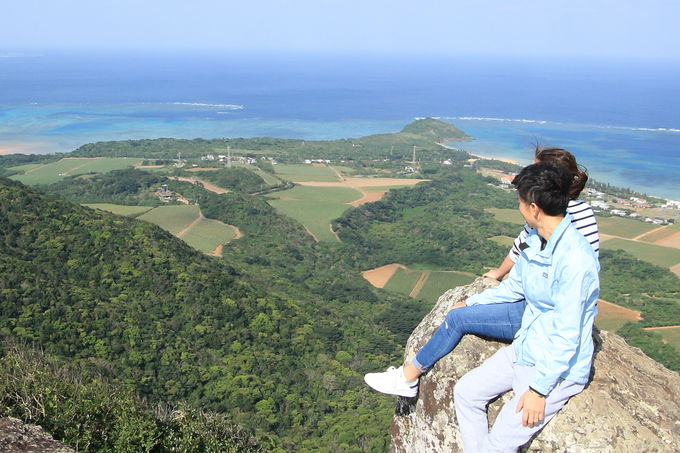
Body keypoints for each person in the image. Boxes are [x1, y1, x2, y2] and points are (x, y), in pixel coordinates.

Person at [363, 147, 599, 398]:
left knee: (457, 319)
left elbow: (560, 300)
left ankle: (408, 378)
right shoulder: (559, 216)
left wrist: (539, 390)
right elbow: (522, 256)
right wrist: (488, 285)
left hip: (543, 315)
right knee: (464, 318)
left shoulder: (562, 223)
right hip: (539, 305)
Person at [453, 162, 599, 452]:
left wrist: (538, 390)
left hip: (557, 367)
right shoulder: (535, 242)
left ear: (533, 208)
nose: (519, 207)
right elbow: (513, 288)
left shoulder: (575, 261)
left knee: (499, 443)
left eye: (520, 201)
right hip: (526, 347)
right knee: (466, 393)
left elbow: (568, 333)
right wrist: (469, 303)